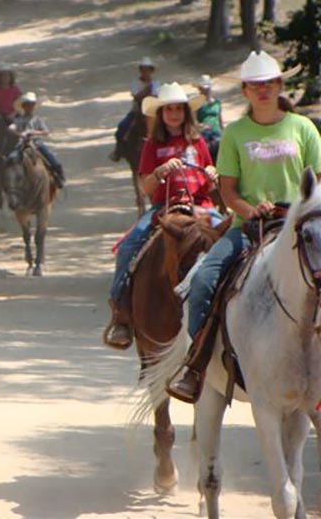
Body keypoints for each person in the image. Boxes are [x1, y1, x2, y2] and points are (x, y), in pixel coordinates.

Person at [168, 51, 321, 403]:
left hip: (302, 226)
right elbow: (227, 189)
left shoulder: (303, 128)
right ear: (246, 91)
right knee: (205, 279)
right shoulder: (236, 133)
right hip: (250, 226)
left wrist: (300, 209)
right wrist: (251, 210)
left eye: (268, 84)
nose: (263, 91)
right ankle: (196, 364)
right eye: (255, 86)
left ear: (280, 86)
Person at [104, 82, 220, 349]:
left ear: (186, 113)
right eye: (169, 110)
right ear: (161, 114)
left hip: (200, 206)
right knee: (128, 248)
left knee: (231, 241)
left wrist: (212, 175)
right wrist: (161, 172)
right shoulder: (153, 146)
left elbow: (209, 180)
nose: (175, 114)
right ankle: (121, 314)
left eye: (179, 109)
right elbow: (146, 187)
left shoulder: (197, 141)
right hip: (163, 208)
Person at [8, 91, 66, 189]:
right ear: (23, 106)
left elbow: (46, 131)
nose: (30, 107)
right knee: (10, 159)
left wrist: (33, 132)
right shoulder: (19, 120)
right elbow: (11, 128)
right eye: (27, 105)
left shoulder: (37, 119)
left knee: (54, 160)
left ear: (34, 106)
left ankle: (59, 178)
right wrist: (19, 134)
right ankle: (9, 184)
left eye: (31, 105)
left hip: (36, 143)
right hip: (22, 144)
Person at [109, 57, 161, 162]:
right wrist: (147, 90)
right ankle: (118, 151)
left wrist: (147, 94)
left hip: (152, 110)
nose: (145, 72)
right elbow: (137, 97)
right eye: (143, 69)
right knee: (122, 126)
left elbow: (156, 97)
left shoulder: (156, 83)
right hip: (137, 110)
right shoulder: (136, 83)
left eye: (147, 69)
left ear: (151, 71)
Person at [195, 74, 224, 161]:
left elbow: (220, 119)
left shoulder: (217, 103)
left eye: (207, 88)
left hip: (216, 133)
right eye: (204, 89)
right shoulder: (197, 104)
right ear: (200, 89)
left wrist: (223, 131)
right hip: (204, 134)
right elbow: (193, 122)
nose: (206, 90)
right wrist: (202, 126)